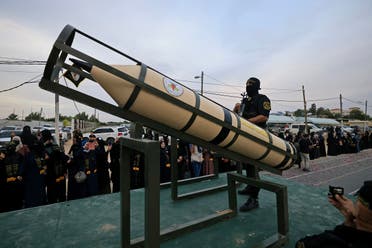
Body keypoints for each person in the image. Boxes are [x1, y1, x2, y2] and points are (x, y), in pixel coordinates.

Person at [296, 181, 372, 247]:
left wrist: (348, 224)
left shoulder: (330, 242)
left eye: (359, 199)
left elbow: (301, 244)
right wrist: (352, 221)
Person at [233, 77, 271, 212]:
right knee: (248, 164)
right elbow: (237, 115)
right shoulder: (245, 101)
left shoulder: (263, 99)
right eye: (247, 84)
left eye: (251, 85)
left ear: (257, 86)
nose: (248, 87)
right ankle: (250, 186)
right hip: (246, 134)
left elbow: (264, 116)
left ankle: (254, 199)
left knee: (253, 165)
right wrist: (236, 108)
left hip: (258, 134)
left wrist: (248, 122)